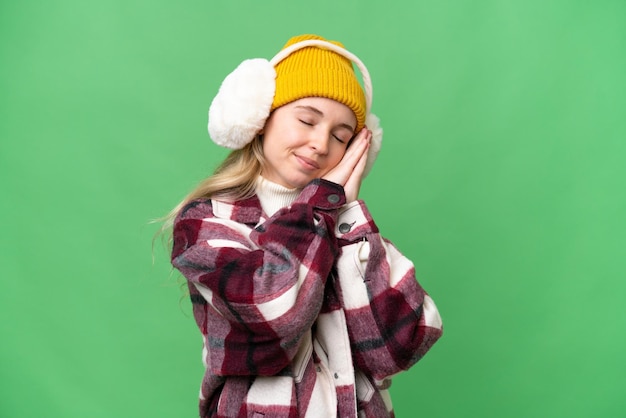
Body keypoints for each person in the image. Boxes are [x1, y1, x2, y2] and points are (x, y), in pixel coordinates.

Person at [166, 34, 443, 417]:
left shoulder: (342, 226)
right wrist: (321, 206)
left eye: (341, 137)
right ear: (260, 117)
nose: (319, 143)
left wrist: (342, 215)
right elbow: (276, 312)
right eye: (306, 120)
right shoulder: (204, 223)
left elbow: (402, 345)